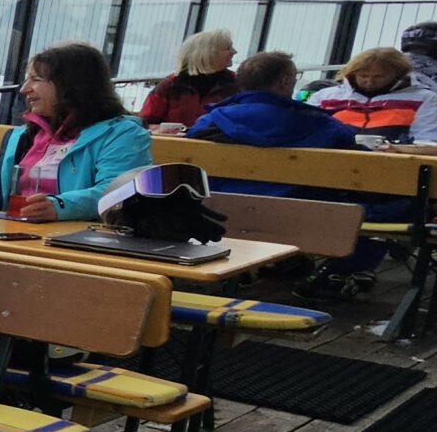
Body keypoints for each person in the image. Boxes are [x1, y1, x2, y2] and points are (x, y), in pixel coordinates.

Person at [188, 51, 435, 298]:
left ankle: (279, 261)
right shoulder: (320, 125)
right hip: (303, 218)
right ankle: (342, 271)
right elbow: (362, 165)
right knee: (400, 201)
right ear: (284, 81)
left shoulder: (207, 122)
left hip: (218, 212)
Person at [0, 41, 153, 222]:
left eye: (36, 79)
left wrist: (59, 206)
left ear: (71, 84)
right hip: (13, 230)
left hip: (78, 236)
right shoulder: (21, 137)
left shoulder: (122, 135)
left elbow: (116, 192)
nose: (24, 89)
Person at [310, 46, 437, 143]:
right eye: (363, 76)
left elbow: (425, 139)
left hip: (391, 161)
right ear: (353, 73)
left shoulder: (425, 98)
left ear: (398, 74)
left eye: (378, 77)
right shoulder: (324, 97)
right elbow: (307, 130)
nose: (369, 81)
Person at [138, 28, 237, 134]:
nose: (234, 52)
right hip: (174, 143)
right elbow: (144, 124)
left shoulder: (237, 84)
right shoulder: (170, 85)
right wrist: (162, 130)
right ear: (206, 53)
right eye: (227, 48)